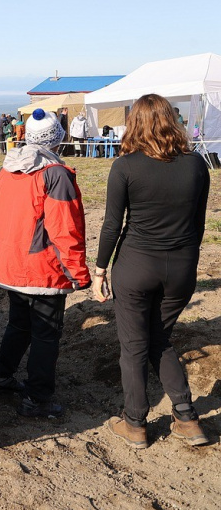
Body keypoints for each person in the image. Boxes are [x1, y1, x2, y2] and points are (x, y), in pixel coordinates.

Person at [94, 94, 210, 449]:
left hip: (135, 266)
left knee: (133, 347)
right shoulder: (196, 165)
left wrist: (99, 271)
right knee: (161, 339)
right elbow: (199, 225)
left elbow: (112, 225)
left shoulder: (125, 166)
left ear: (134, 124)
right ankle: (187, 418)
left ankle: (135, 424)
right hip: (181, 267)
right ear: (172, 121)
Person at [0, 108, 90, 418]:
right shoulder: (56, 174)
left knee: (19, 323)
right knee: (46, 333)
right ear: (57, 138)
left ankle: (1, 377)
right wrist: (78, 272)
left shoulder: (6, 169)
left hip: (10, 263)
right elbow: (66, 229)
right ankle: (38, 397)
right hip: (42, 269)